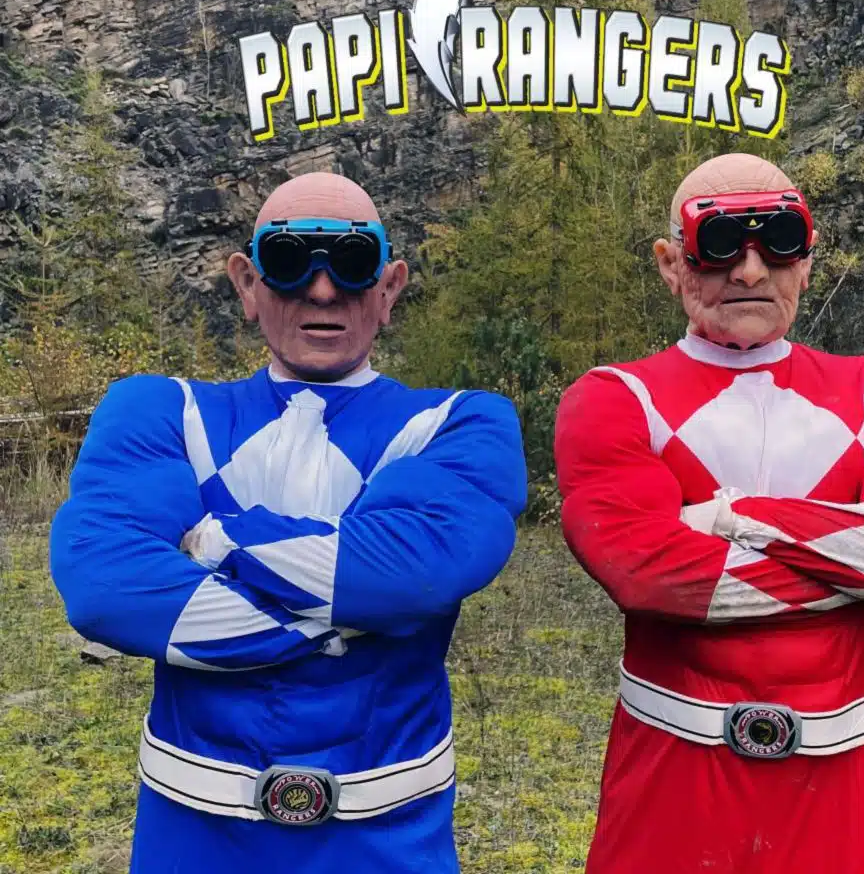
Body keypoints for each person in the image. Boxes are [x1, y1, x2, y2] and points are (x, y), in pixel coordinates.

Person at [49, 172, 528, 874]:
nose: (323, 290)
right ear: (247, 284)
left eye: (354, 263)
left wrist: (213, 540)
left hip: (388, 837)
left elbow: (414, 573)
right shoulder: (159, 409)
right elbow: (105, 587)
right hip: (193, 834)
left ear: (389, 287)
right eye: (287, 260)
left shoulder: (459, 421)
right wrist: (361, 613)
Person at [553, 152, 864, 874]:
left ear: (808, 260)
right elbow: (645, 572)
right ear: (671, 263)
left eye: (780, 240)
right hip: (669, 791)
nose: (751, 269)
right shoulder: (612, 397)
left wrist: (728, 518)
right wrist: (859, 559)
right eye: (720, 242)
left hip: (846, 798)